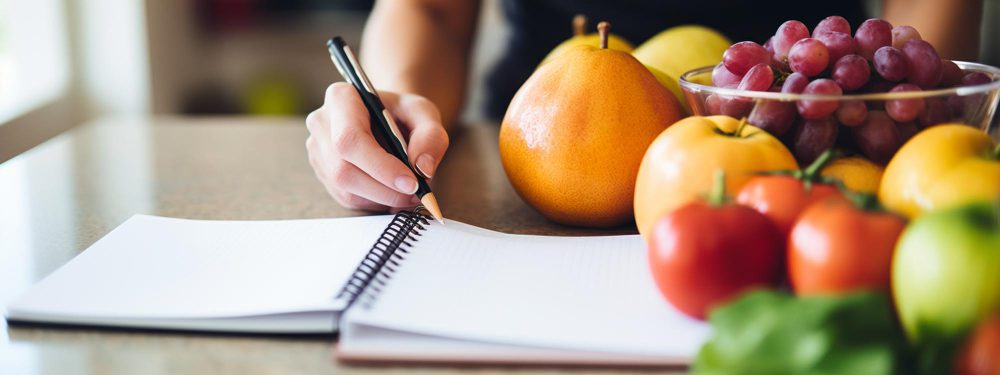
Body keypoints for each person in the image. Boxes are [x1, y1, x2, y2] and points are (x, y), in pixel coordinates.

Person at [305, 0, 983, 212]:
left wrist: (916, 129)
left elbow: (915, 44)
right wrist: (397, 103)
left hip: (812, 157)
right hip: (537, 148)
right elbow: (429, 10)